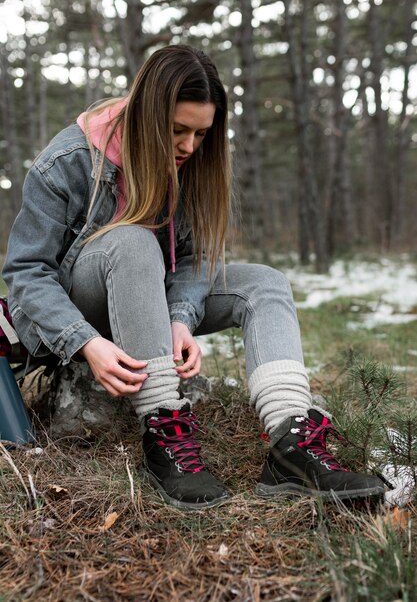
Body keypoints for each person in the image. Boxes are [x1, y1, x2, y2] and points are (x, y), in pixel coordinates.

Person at [2, 45, 385, 509]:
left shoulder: (193, 161)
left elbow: (197, 255)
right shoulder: (67, 161)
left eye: (201, 133)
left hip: (153, 300)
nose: (188, 146)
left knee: (264, 282)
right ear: (145, 116)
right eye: (177, 130)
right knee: (132, 239)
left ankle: (293, 443)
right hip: (81, 309)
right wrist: (85, 342)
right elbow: (27, 271)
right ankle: (166, 432)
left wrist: (180, 317)